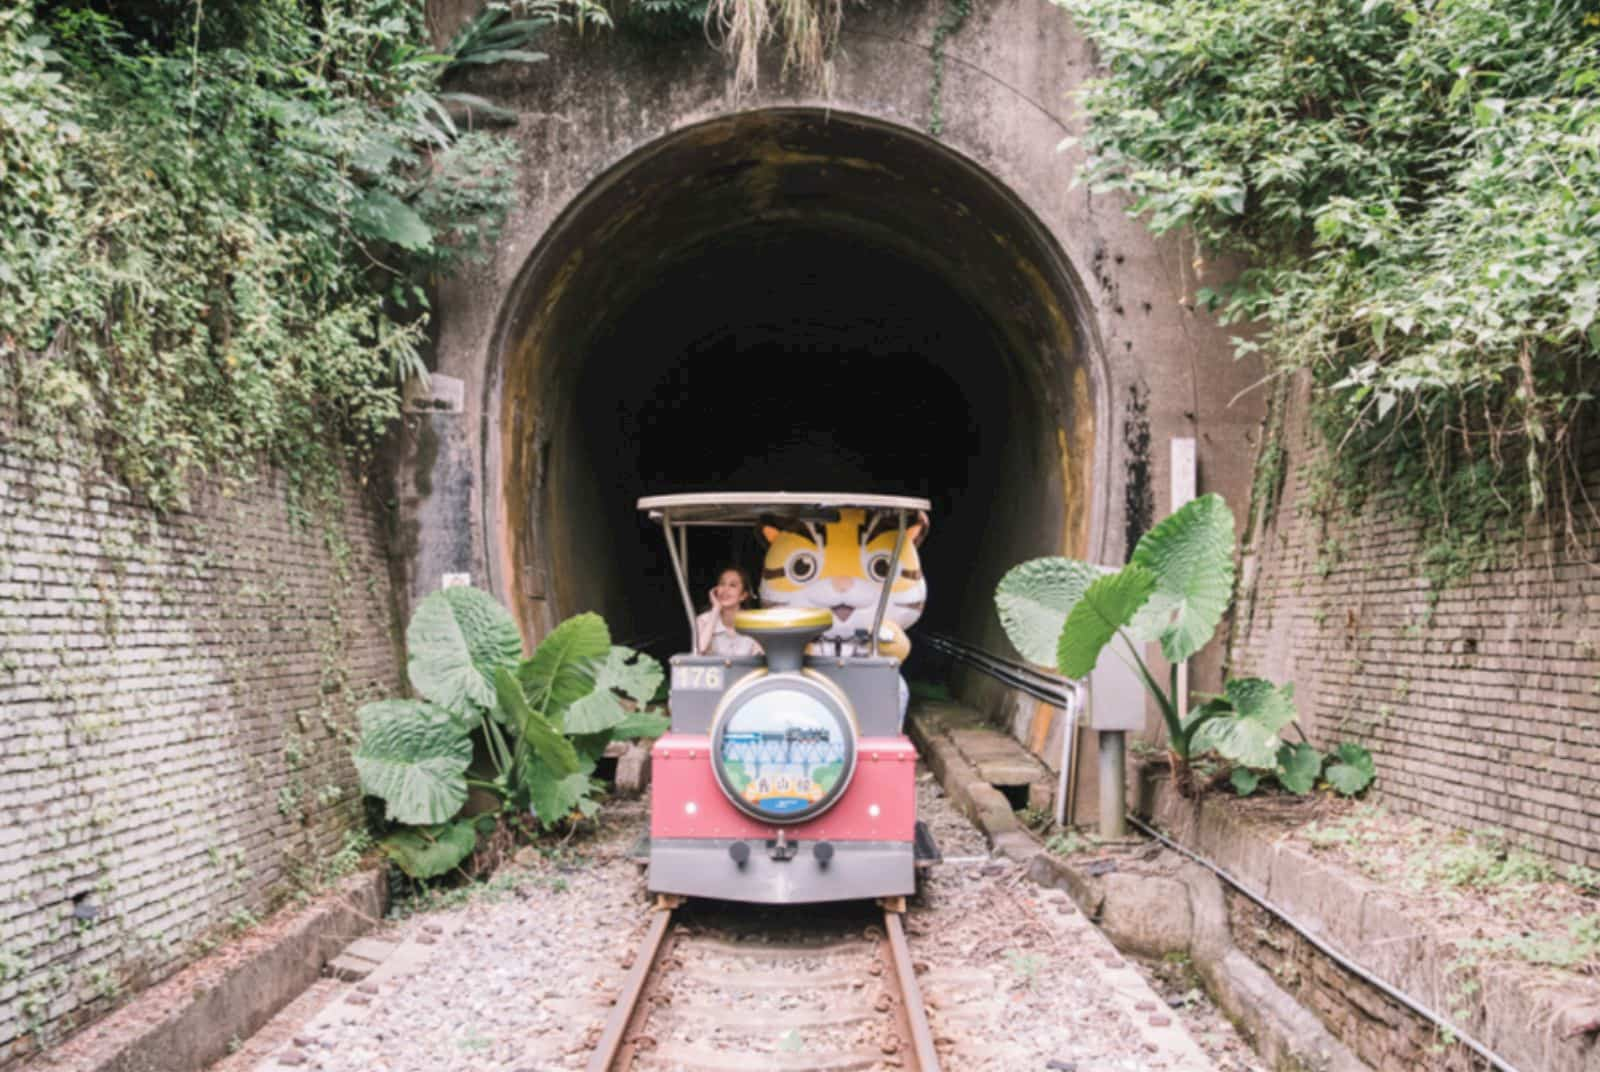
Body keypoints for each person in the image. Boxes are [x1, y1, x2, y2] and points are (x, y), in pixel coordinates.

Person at [696, 566, 763, 657]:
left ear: (743, 595)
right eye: (722, 584)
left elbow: (760, 659)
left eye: (732, 585)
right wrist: (715, 609)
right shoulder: (703, 620)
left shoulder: (754, 623)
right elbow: (699, 651)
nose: (725, 590)